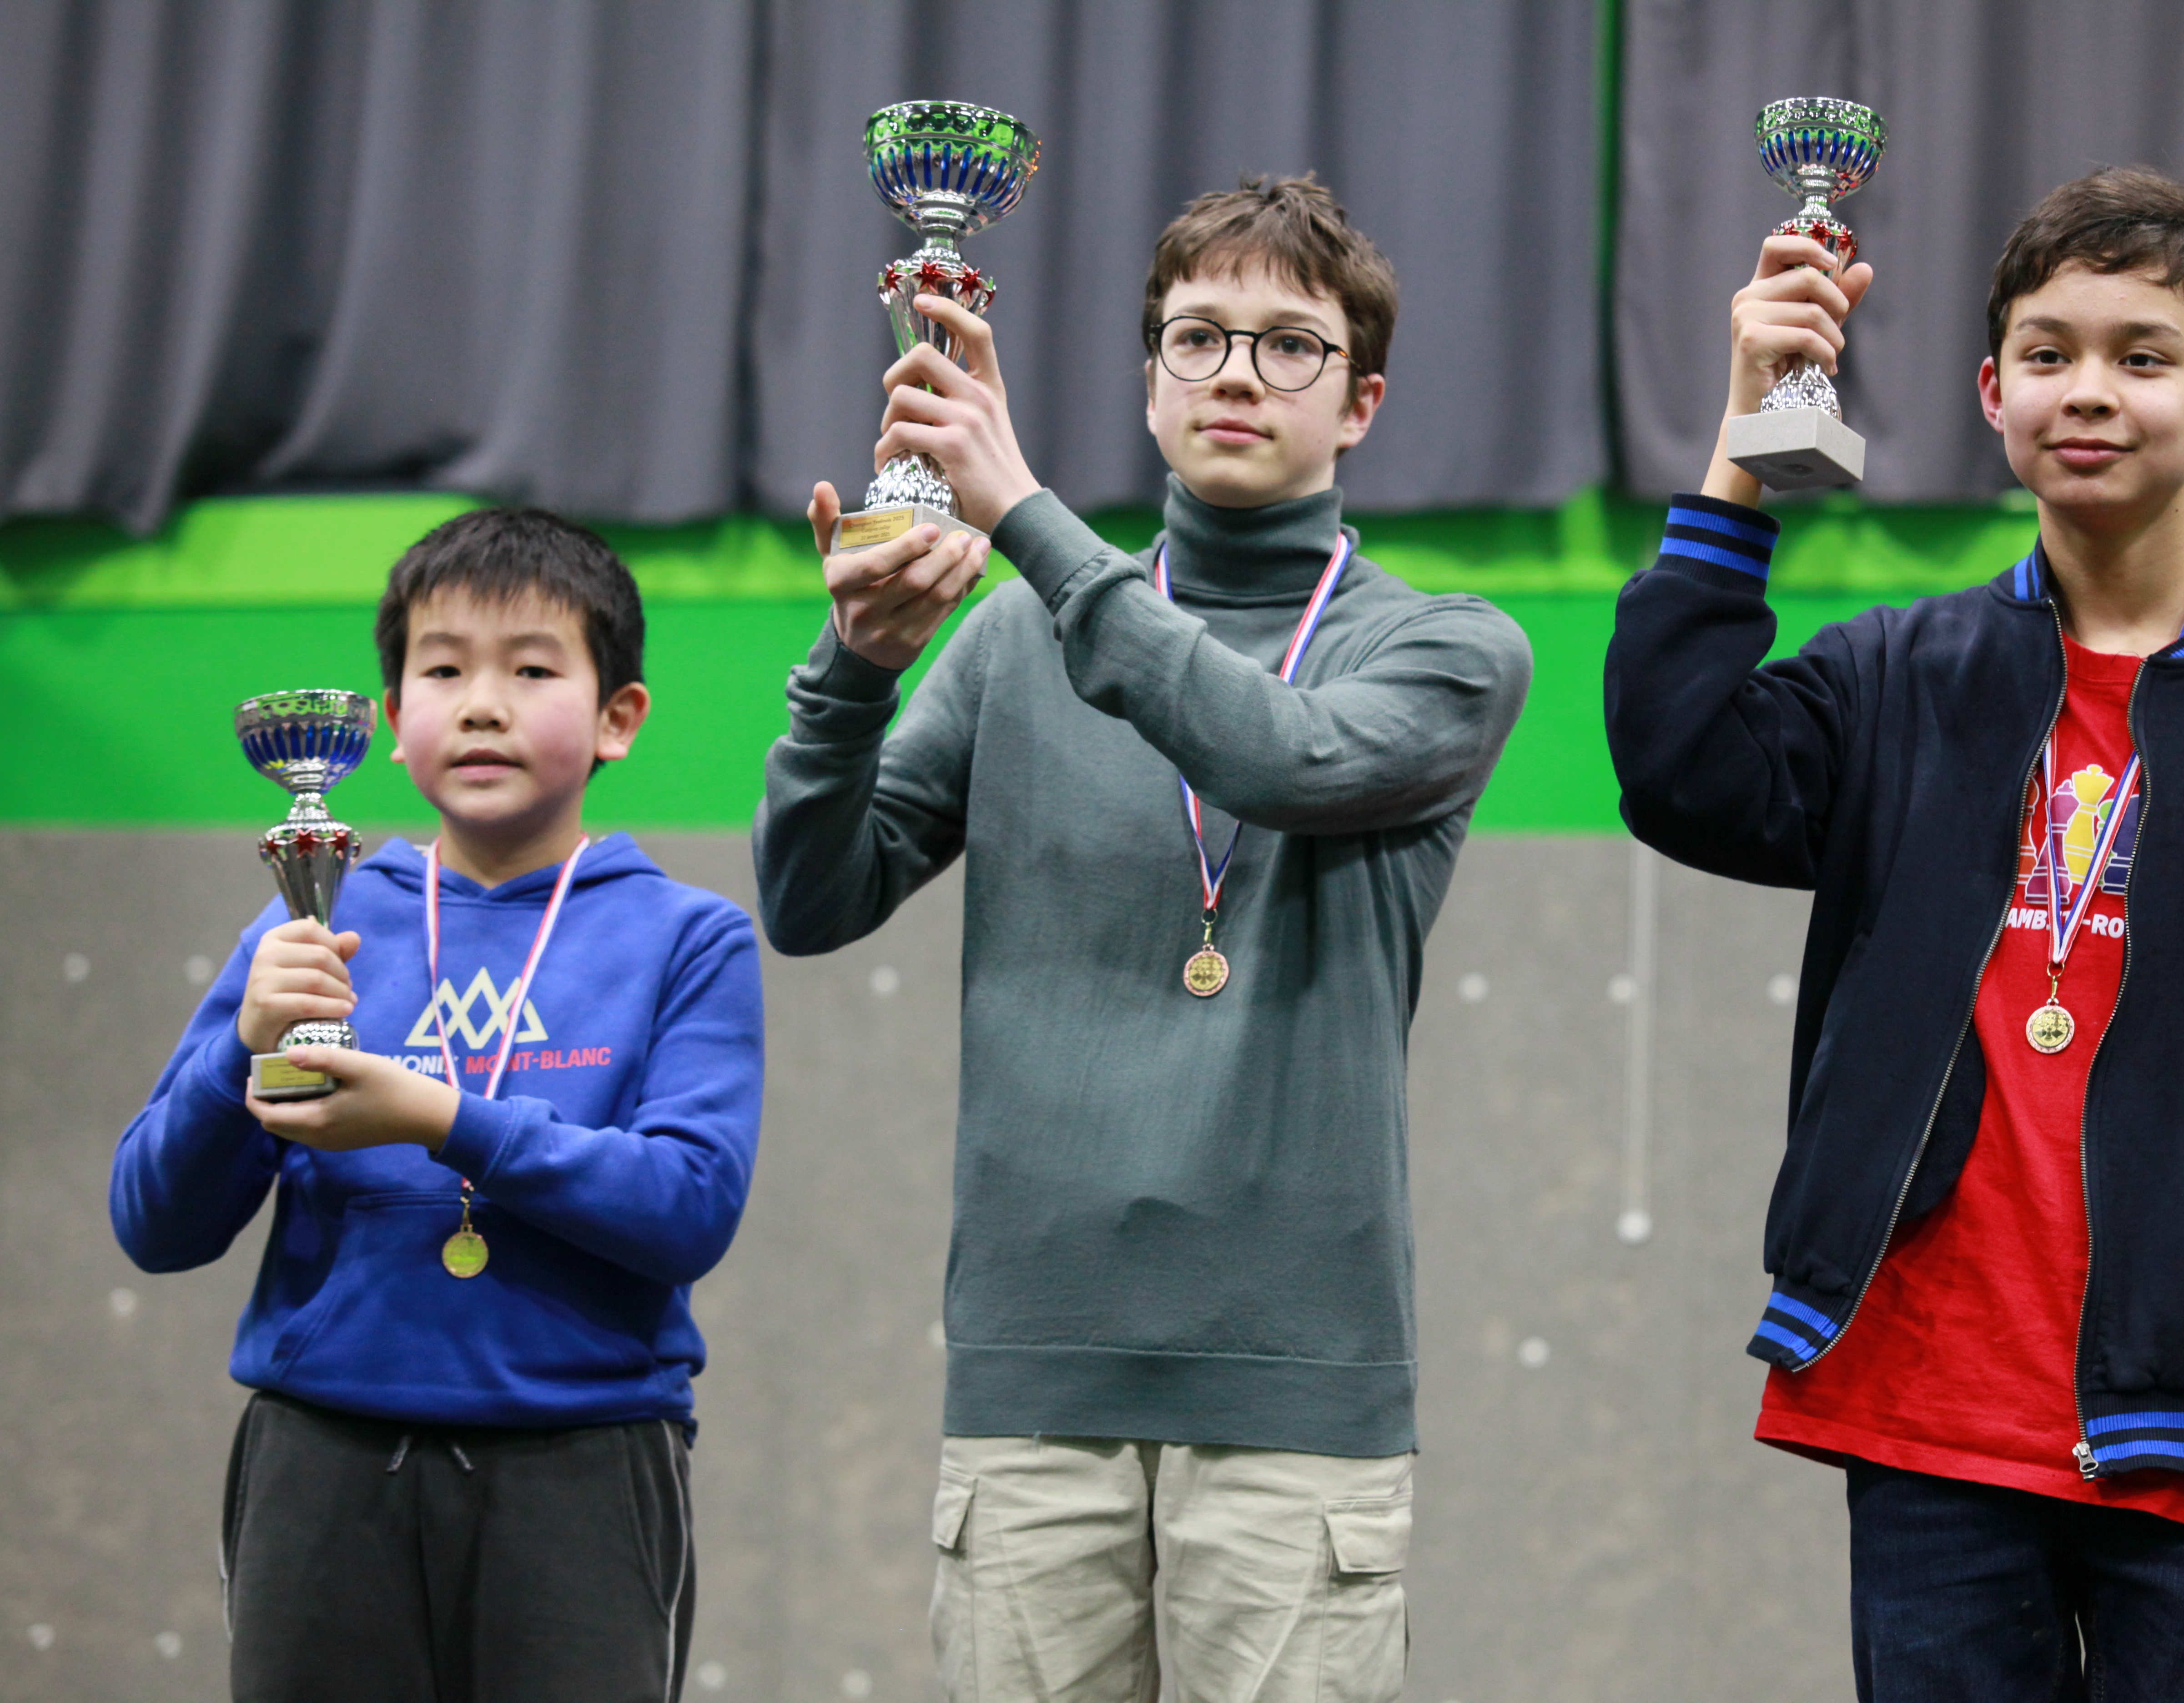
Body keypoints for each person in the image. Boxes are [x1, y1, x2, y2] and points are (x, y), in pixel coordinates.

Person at [1606, 167, 2184, 1698]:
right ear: (1993, 393)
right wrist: (1743, 451)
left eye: (2144, 354)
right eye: (2049, 355)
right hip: (1930, 1419)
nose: (2091, 392)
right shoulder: (1900, 677)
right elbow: (1679, 772)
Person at [756, 174, 1530, 1701]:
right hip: (1034, 1375)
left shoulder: (1444, 647)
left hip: (1300, 1387)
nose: (1238, 372)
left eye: (1290, 346)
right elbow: (811, 899)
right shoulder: (1010, 638)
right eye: (1197, 338)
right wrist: (849, 673)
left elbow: (1283, 759)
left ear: (1361, 403)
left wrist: (1028, 521)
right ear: (1151, 378)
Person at [112, 509, 764, 1703]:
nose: (481, 703)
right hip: (322, 1455)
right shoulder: (308, 918)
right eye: (443, 668)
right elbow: (154, 1223)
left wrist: (439, 1118)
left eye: (532, 667)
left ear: (620, 718)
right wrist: (236, 1062)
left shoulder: (687, 938)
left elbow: (690, 1207)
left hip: (588, 1462)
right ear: (392, 724)